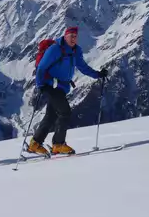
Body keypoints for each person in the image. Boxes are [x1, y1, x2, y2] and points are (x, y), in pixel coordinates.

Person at [28, 26, 108, 156]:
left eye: (75, 36)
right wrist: (41, 85)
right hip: (51, 86)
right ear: (65, 36)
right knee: (64, 112)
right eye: (71, 36)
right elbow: (42, 67)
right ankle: (58, 144)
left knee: (51, 116)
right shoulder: (55, 49)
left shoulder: (76, 51)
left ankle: (35, 143)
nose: (73, 39)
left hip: (62, 87)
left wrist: (98, 74)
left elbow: (83, 67)